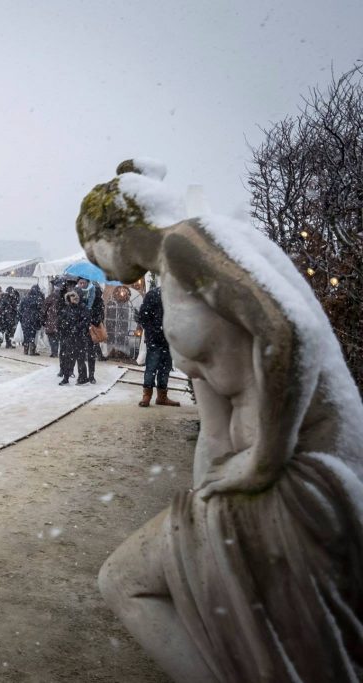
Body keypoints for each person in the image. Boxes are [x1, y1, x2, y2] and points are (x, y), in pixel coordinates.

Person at [80, 160, 363, 682]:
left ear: (111, 230)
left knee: (125, 582)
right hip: (247, 480)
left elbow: (288, 334)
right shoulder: (173, 276)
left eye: (90, 246)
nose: (92, 261)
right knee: (269, 645)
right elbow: (213, 419)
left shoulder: (189, 241)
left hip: (288, 474)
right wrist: (205, 495)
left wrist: (263, 460)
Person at [134, 286, 179, 407]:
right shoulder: (153, 294)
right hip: (156, 338)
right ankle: (147, 396)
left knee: (165, 368)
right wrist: (153, 330)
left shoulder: (175, 295)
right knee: (152, 367)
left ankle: (161, 396)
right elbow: (143, 315)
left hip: (168, 338)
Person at [57, 289, 89, 385]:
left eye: (76, 296)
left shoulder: (83, 308)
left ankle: (82, 378)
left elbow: (86, 320)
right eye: (72, 296)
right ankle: (66, 378)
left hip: (80, 337)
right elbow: (61, 322)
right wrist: (64, 329)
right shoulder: (66, 309)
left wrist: (77, 327)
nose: (74, 298)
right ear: (68, 298)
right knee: (68, 358)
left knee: (80, 359)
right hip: (69, 337)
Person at [78, 277, 105, 383]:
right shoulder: (78, 295)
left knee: (89, 353)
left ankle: (91, 376)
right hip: (81, 328)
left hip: (91, 328)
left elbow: (99, 316)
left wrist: (90, 318)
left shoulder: (97, 298)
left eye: (83, 283)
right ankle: (83, 376)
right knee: (82, 354)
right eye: (80, 283)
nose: (82, 285)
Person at [18, 284, 45, 355]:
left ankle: (25, 350)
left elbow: (20, 310)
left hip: (25, 319)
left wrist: (21, 319)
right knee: (33, 335)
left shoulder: (25, 298)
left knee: (26, 335)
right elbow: (41, 310)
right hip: (34, 319)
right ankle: (32, 351)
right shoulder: (38, 299)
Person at [42, 278, 62, 358]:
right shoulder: (63, 297)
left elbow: (44, 308)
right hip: (59, 321)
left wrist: (43, 318)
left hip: (51, 320)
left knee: (51, 336)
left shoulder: (51, 297)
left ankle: (54, 351)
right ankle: (56, 351)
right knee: (56, 337)